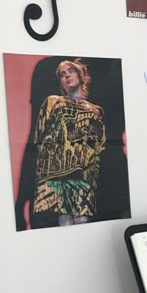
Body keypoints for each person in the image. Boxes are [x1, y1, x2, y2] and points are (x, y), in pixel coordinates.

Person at [30, 59, 106, 227]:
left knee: (82, 220)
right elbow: (40, 138)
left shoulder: (95, 110)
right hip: (57, 173)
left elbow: (98, 145)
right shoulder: (53, 101)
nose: (66, 76)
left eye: (70, 71)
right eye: (62, 75)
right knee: (64, 221)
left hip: (83, 173)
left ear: (80, 75)